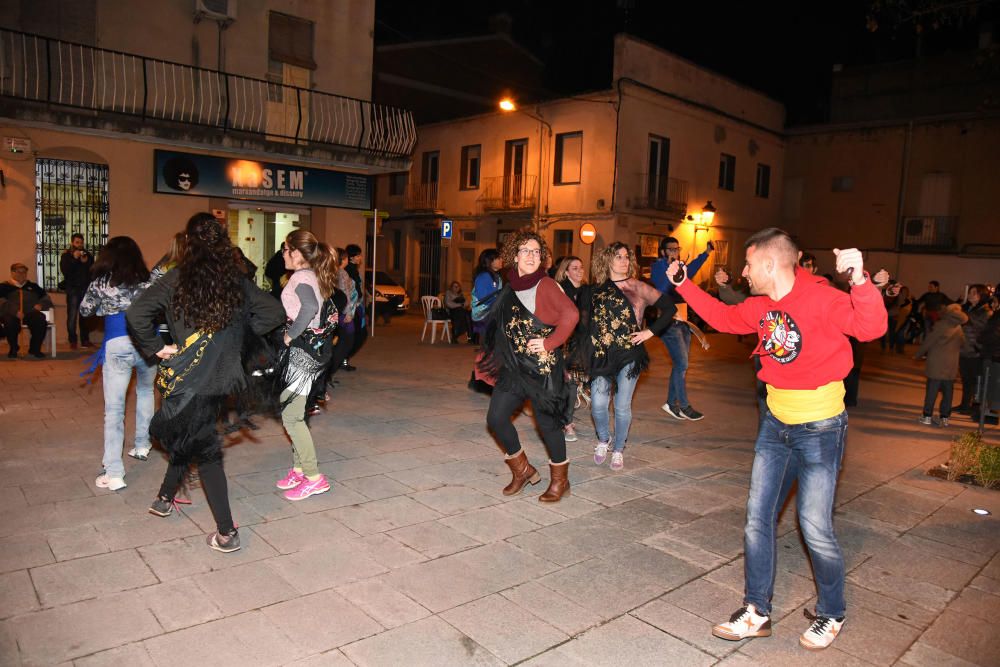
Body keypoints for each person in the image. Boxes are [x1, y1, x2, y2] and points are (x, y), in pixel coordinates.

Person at [665, 228, 886, 651]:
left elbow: (870, 327)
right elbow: (724, 318)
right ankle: (756, 610)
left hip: (820, 428)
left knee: (815, 526)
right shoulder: (762, 306)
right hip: (774, 425)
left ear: (770, 263)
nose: (744, 272)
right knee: (756, 519)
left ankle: (832, 611)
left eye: (748, 264)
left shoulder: (823, 298)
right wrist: (683, 285)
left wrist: (860, 280)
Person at [127, 213, 284, 553]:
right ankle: (165, 497)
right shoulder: (235, 281)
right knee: (193, 432)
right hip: (221, 377)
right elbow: (274, 313)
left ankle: (226, 533)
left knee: (205, 449)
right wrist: (237, 337)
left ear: (188, 243)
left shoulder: (175, 279)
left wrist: (158, 348)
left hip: (186, 376)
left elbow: (136, 313)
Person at [479, 231, 579, 502]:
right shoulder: (510, 286)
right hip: (515, 367)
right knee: (496, 418)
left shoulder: (546, 285)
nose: (532, 256)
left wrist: (550, 343)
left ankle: (561, 481)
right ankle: (522, 470)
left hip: (543, 368)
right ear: (514, 256)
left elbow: (571, 315)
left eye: (536, 251)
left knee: (548, 425)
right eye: (525, 250)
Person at [581, 243, 676, 471]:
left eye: (626, 257)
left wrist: (649, 332)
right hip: (602, 355)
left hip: (629, 353)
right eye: (618, 256)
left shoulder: (638, 287)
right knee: (599, 404)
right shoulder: (596, 290)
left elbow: (670, 308)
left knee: (622, 406)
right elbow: (586, 324)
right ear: (607, 260)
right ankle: (604, 440)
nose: (623, 261)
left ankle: (618, 449)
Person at [79, 237, 156, 490]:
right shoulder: (149, 280)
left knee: (114, 410)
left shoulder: (102, 283)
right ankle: (143, 444)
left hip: (117, 343)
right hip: (147, 344)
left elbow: (85, 311)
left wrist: (105, 309)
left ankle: (113, 473)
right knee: (145, 391)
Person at [275, 231, 338, 500]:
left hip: (302, 353)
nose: (283, 254)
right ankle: (300, 469)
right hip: (310, 352)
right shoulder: (310, 275)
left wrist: (289, 335)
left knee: (292, 416)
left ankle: (314, 478)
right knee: (295, 412)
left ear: (297, 253)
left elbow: (309, 307)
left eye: (286, 249)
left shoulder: (301, 277)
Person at [650, 236, 712, 421]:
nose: (675, 252)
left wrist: (706, 253)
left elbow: (692, 268)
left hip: (683, 320)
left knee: (680, 365)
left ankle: (671, 403)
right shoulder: (658, 267)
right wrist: (670, 269)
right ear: (663, 252)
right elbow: (661, 287)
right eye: (670, 249)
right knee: (682, 364)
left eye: (677, 249)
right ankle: (684, 406)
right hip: (668, 323)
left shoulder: (680, 267)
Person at [914, 303, 967, 426]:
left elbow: (929, 341)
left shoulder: (941, 324)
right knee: (948, 392)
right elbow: (963, 343)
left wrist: (918, 354)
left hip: (936, 363)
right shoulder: (959, 327)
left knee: (932, 391)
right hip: (951, 364)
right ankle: (945, 418)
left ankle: (927, 416)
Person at [554, 256, 587, 441]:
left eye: (581, 267)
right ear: (566, 272)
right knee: (567, 384)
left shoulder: (585, 291)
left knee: (571, 383)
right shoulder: (561, 291)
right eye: (575, 268)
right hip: (563, 343)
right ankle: (566, 424)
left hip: (580, 344)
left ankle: (565, 420)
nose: (580, 271)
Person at [0, 263, 53, 358]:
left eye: (24, 272)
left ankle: (35, 349)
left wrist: (40, 305)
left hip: (30, 313)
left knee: (40, 319)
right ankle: (13, 348)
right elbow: (1, 302)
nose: (22, 274)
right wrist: (15, 311)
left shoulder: (34, 286)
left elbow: (46, 298)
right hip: (12, 314)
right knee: (9, 321)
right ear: (12, 273)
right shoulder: (3, 287)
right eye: (18, 272)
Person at [469, 249, 503, 393]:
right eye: (498, 258)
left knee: (489, 349)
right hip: (485, 318)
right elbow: (487, 298)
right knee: (487, 349)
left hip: (493, 317)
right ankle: (480, 380)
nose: (501, 260)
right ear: (489, 261)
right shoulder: (484, 277)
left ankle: (479, 380)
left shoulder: (496, 276)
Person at [957, 284, 992, 414]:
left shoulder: (986, 311)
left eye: (974, 293)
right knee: (965, 379)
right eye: (970, 292)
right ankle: (964, 405)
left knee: (976, 381)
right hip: (963, 348)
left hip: (975, 350)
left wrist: (964, 316)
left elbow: (981, 325)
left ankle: (975, 407)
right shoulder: (968, 308)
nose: (970, 295)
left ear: (981, 296)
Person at [61, 233, 94, 349]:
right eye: (77, 242)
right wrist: (74, 259)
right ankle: (72, 340)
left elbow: (92, 270)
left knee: (85, 315)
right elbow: (66, 271)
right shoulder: (66, 256)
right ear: (72, 243)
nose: (79, 245)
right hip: (73, 290)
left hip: (85, 289)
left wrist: (86, 262)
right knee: (72, 316)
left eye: (81, 242)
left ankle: (85, 340)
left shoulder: (87, 255)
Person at [343, 244, 366, 371]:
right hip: (351, 307)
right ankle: (343, 358)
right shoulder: (349, 271)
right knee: (356, 334)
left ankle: (344, 358)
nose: (360, 258)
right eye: (358, 255)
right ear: (351, 257)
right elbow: (350, 291)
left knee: (358, 334)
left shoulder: (353, 269)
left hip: (356, 306)